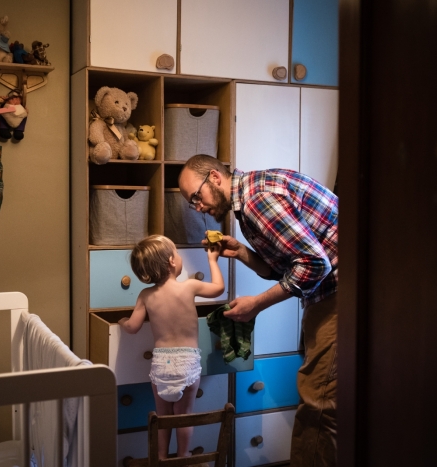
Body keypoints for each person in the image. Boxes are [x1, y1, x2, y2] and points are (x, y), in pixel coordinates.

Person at [178, 155, 338, 466]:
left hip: (339, 293)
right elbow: (289, 268)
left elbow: (315, 265)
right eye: (191, 203)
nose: (198, 207)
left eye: (196, 196)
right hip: (329, 293)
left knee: (318, 401)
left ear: (214, 176)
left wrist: (256, 305)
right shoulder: (249, 201)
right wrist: (241, 253)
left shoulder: (256, 200)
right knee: (327, 397)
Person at [119, 234, 225, 460]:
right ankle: (184, 456)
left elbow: (133, 326)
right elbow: (218, 289)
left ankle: (162, 458)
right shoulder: (189, 287)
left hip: (161, 364)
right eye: (177, 252)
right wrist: (212, 260)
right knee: (184, 415)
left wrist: (121, 323)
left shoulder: (146, 295)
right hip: (187, 362)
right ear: (171, 262)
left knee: (164, 416)